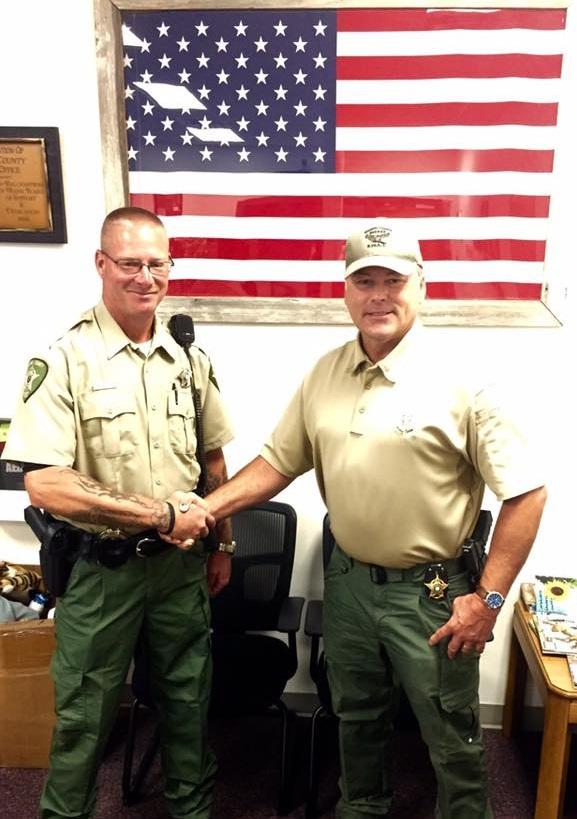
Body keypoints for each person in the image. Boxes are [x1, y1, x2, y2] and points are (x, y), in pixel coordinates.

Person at [192, 224, 547, 819]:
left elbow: (527, 495)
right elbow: (279, 462)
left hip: (433, 594)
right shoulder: (325, 372)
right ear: (347, 291)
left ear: (421, 285)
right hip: (351, 582)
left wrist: (486, 600)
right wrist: (206, 509)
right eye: (364, 281)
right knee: (354, 717)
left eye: (393, 280)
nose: (378, 295)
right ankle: (363, 808)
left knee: (448, 732)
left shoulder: (465, 380)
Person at [1, 207, 234, 819]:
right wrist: (159, 515)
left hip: (181, 571)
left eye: (157, 263)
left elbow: (212, 460)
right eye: (129, 263)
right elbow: (47, 486)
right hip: (104, 574)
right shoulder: (65, 360)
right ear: (101, 264)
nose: (144, 276)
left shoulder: (187, 356)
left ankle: (192, 809)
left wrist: (224, 545)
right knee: (84, 716)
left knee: (189, 703)